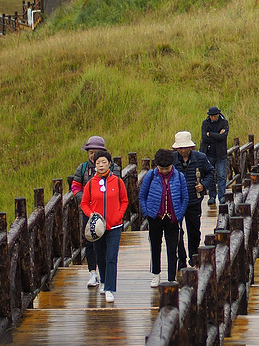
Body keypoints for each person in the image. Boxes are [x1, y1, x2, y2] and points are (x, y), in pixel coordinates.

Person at [72, 135, 120, 289]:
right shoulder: (83, 168)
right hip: (89, 212)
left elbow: (118, 190)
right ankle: (93, 272)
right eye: (90, 152)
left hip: (109, 213)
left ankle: (106, 276)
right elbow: (75, 187)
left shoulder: (113, 168)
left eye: (96, 152)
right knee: (90, 241)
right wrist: (86, 200)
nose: (93, 155)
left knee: (106, 244)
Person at [80, 149, 128, 303]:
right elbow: (84, 203)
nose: (101, 165)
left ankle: (109, 288)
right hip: (97, 228)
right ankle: (103, 281)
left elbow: (124, 201)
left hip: (114, 226)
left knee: (111, 257)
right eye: (98, 162)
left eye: (104, 162)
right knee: (100, 256)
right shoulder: (90, 184)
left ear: (109, 164)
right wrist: (92, 215)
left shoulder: (118, 182)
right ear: (94, 165)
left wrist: (119, 215)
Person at [139, 148, 188, 287]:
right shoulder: (151, 175)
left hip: (173, 218)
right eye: (162, 168)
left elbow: (185, 198)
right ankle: (155, 274)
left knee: (172, 248)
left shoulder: (179, 176)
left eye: (167, 168)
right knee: (155, 246)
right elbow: (142, 196)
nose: (164, 171)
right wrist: (147, 213)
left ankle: (172, 277)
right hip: (155, 217)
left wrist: (179, 214)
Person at [171, 130, 212, 270]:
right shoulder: (171, 160)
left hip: (194, 200)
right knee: (177, 231)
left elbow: (210, 172)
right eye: (180, 148)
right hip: (176, 202)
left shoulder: (200, 158)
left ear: (191, 147)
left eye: (185, 148)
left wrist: (204, 185)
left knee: (194, 230)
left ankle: (194, 257)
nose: (183, 151)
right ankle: (181, 260)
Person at [201, 105, 230, 207]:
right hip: (209, 153)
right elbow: (204, 138)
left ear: (218, 114)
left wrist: (211, 134)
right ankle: (212, 196)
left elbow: (223, 136)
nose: (213, 117)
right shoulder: (205, 123)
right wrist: (217, 135)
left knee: (222, 176)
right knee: (210, 175)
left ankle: (222, 196)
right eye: (212, 116)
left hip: (221, 154)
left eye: (215, 115)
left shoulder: (224, 122)